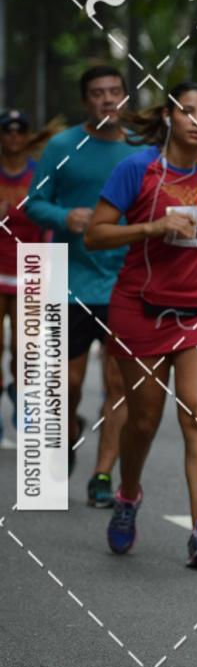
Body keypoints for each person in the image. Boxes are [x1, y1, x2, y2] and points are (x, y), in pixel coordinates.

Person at [85, 82, 197, 567]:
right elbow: (95, 235)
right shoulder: (137, 168)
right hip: (139, 308)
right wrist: (153, 226)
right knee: (143, 420)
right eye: (188, 111)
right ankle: (127, 495)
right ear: (168, 116)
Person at [27, 65, 140, 507]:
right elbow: (35, 202)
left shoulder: (142, 148)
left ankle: (102, 474)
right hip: (69, 280)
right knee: (68, 383)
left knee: (117, 383)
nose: (107, 99)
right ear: (86, 101)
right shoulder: (62, 146)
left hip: (127, 280)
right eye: (98, 93)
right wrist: (64, 217)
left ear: (126, 98)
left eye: (115, 91)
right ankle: (70, 426)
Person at [0, 110, 44, 440]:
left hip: (29, 269)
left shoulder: (40, 174)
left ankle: (21, 399)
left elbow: (48, 217)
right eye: (7, 131)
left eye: (20, 131)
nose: (13, 137)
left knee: (23, 346)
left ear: (28, 136)